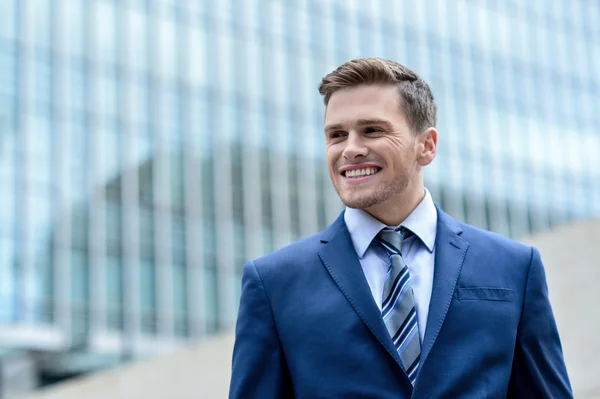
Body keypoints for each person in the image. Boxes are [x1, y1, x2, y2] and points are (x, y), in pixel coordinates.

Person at [229, 58, 572, 398]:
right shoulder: (273, 283)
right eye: (337, 135)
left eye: (372, 130)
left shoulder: (514, 268)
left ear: (427, 146)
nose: (350, 149)